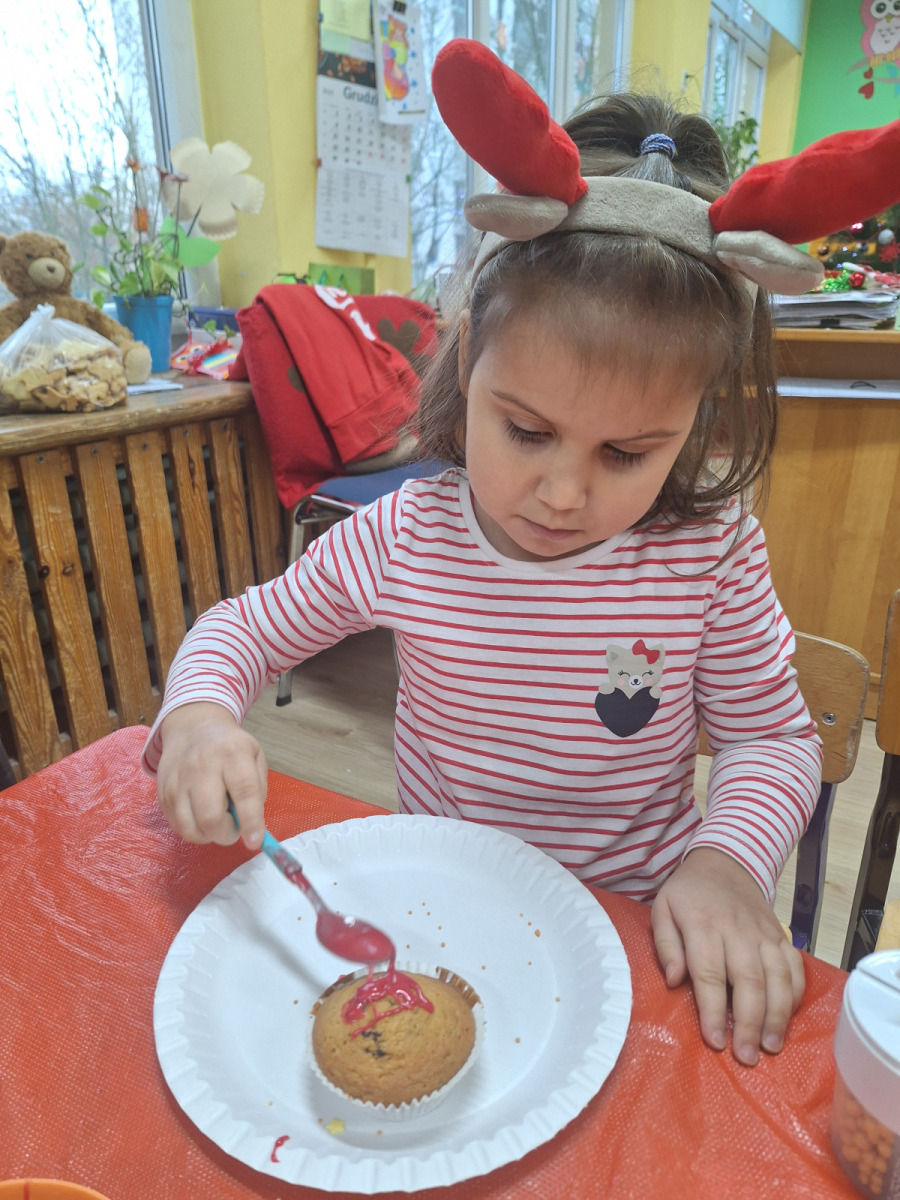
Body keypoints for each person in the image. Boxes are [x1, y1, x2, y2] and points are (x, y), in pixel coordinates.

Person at [145, 65, 826, 1070]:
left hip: (639, 928)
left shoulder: (708, 550)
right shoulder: (408, 532)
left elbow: (772, 739)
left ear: (696, 422)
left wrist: (727, 863)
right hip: (443, 917)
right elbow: (241, 631)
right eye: (527, 431)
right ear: (470, 365)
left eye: (627, 454)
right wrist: (201, 716)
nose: (563, 493)